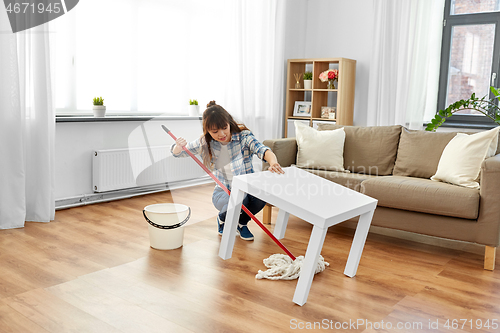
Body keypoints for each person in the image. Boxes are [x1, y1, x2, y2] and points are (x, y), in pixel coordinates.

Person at [171, 101, 284, 241]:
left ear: (229, 122)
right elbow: (179, 153)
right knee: (239, 199)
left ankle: (242, 223)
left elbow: (263, 150)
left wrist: (273, 162)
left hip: (247, 189)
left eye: (225, 128)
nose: (222, 134)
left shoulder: (244, 137)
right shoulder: (205, 143)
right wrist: (178, 146)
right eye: (215, 131)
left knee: (261, 195)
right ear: (208, 131)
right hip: (223, 193)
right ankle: (222, 219)